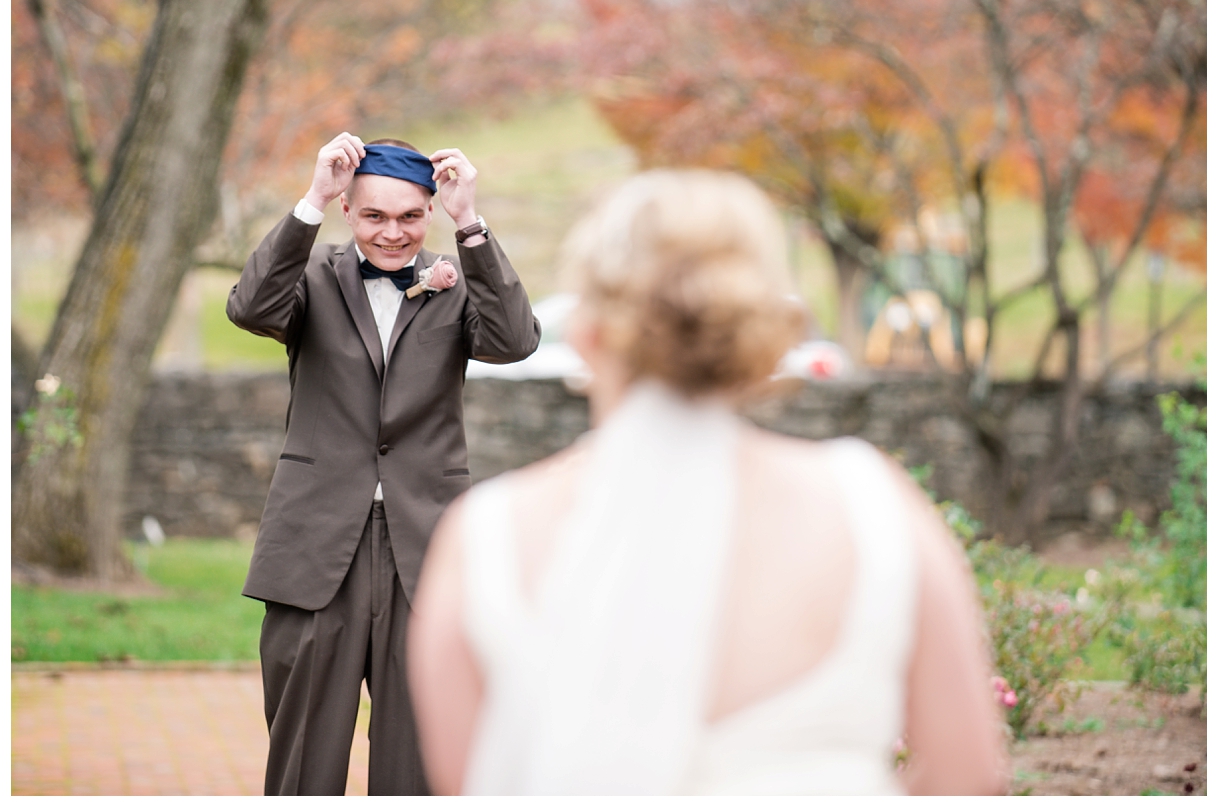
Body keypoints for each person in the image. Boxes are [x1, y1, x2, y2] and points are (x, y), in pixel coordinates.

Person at [408, 169, 1009, 795]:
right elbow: (967, 777)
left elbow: (467, 783)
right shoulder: (875, 508)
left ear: (587, 337)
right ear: (766, 334)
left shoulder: (489, 536)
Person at [226, 132, 540, 795]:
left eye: (409, 215)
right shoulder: (308, 282)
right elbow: (250, 306)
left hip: (425, 551)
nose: (392, 233)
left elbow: (514, 341)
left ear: (427, 211)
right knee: (302, 761)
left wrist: (469, 221)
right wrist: (311, 196)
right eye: (374, 215)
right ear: (348, 210)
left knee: (420, 763)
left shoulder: (456, 288)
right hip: (314, 551)